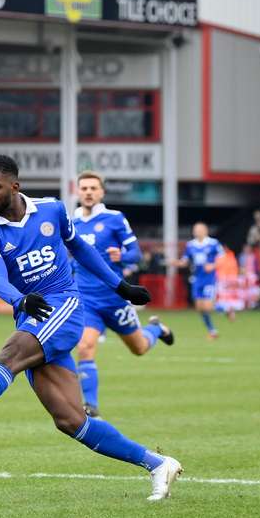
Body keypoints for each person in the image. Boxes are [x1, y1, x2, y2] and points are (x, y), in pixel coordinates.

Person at [0, 155, 182, 502]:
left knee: (9, 357)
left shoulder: (53, 210)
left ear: (15, 186)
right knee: (71, 421)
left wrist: (120, 286)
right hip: (32, 314)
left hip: (64, 304)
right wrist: (18, 299)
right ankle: (158, 463)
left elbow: (81, 249)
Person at [72, 171, 174, 418]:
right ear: (77, 192)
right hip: (86, 298)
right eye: (84, 188)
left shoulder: (114, 219)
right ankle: (91, 406)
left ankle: (157, 330)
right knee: (85, 346)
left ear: (102, 192)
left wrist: (123, 256)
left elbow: (136, 253)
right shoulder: (70, 222)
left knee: (138, 348)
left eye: (93, 188)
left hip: (115, 297)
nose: (88, 192)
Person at [173, 222, 224, 339]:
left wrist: (213, 265)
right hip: (197, 279)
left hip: (209, 278)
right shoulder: (190, 245)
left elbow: (223, 258)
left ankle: (225, 309)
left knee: (207, 307)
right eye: (195, 230)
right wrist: (176, 263)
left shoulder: (213, 243)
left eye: (199, 229)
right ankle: (212, 331)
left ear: (205, 231)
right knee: (199, 308)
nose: (197, 232)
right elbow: (185, 261)